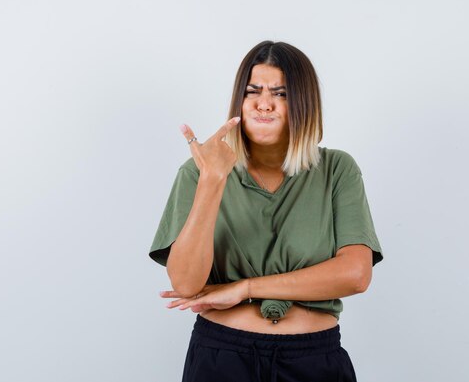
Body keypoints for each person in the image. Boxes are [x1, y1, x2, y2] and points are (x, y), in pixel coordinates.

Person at [149, 40, 383, 382]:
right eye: (252, 91)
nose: (264, 104)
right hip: (222, 359)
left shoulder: (337, 169)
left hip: (313, 360)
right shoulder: (199, 172)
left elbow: (355, 274)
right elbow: (185, 283)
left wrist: (245, 288)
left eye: (281, 93)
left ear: (304, 103)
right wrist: (213, 181)